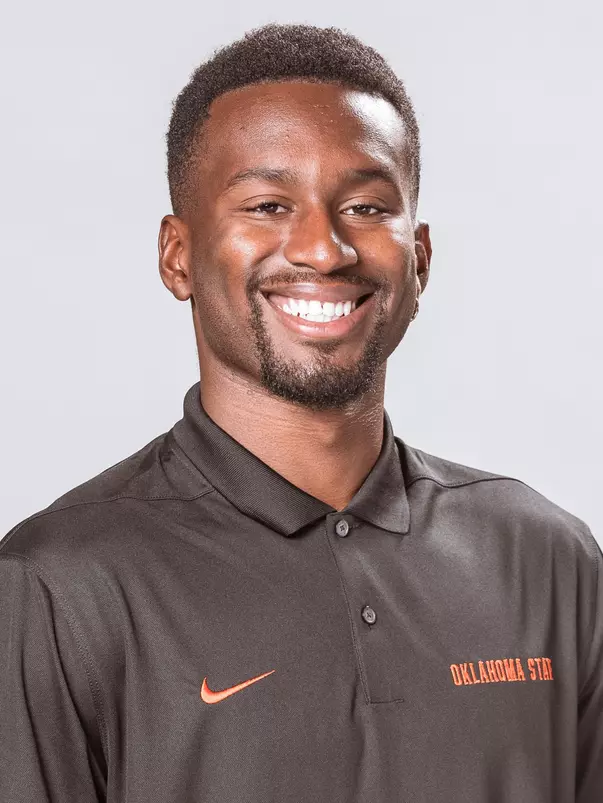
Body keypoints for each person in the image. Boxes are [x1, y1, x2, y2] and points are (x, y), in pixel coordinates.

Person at [0, 22, 600, 803]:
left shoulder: (547, 558)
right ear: (177, 255)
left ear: (417, 258)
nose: (322, 248)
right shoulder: (56, 587)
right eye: (268, 203)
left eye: (363, 206)